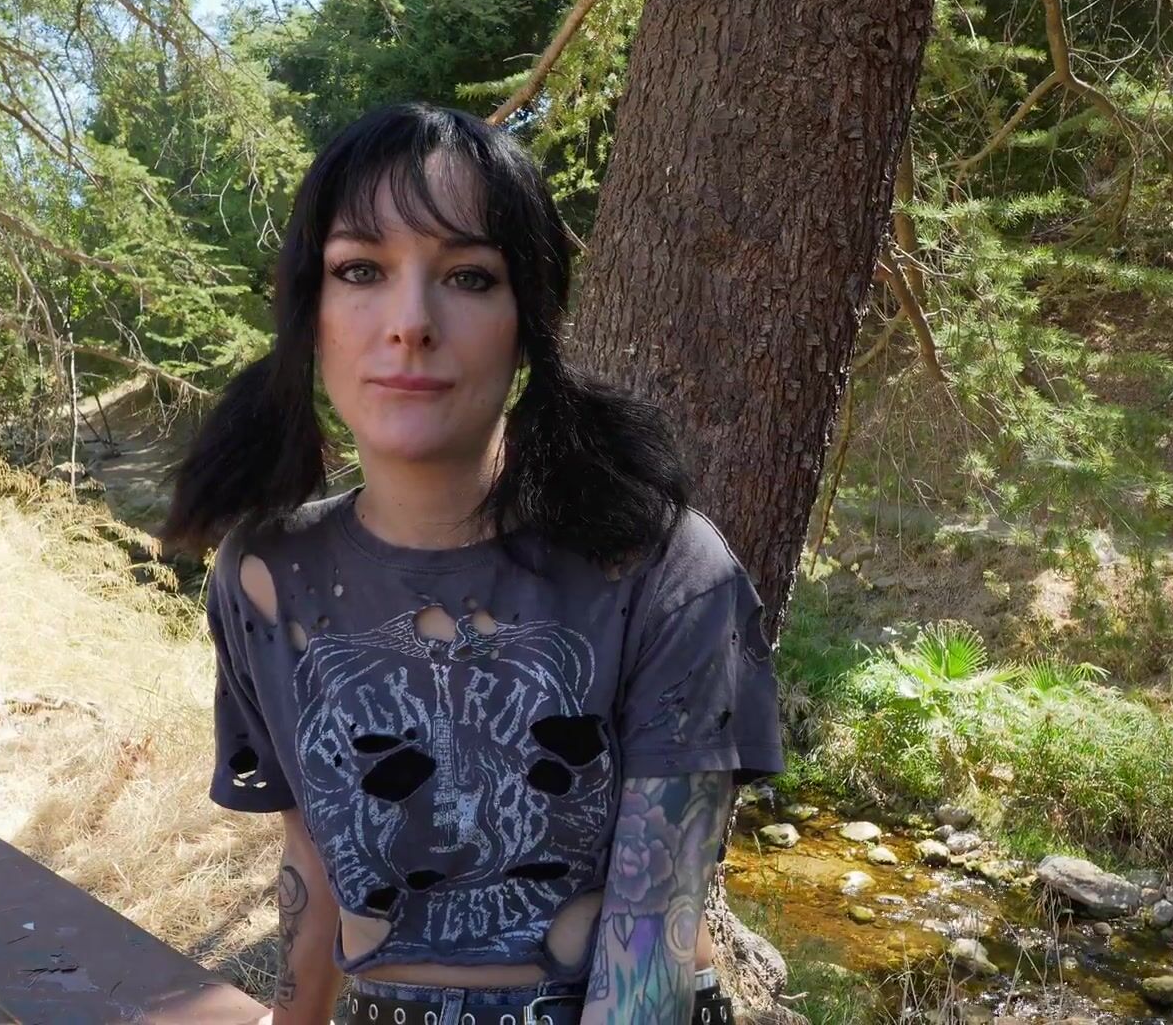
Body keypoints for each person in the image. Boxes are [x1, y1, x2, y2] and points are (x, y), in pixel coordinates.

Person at [162, 102, 783, 1025]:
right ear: (310, 312)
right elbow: (315, 865)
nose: (410, 322)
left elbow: (648, 953)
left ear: (528, 321)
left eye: (468, 277)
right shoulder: (264, 577)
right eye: (360, 270)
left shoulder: (664, 570)